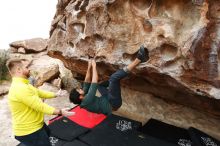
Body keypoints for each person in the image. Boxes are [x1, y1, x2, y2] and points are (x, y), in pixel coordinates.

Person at [7, 59, 75, 146]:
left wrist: (56, 94)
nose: (29, 69)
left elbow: (39, 93)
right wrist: (60, 112)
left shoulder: (24, 85)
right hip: (30, 131)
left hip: (37, 125)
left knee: (48, 135)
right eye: (26, 67)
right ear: (19, 70)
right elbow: (40, 106)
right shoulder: (20, 88)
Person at [69, 46, 149, 115]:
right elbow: (94, 82)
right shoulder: (86, 100)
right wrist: (94, 66)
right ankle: (139, 59)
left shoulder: (83, 96)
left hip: (106, 98)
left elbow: (87, 81)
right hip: (113, 103)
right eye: (79, 90)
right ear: (80, 97)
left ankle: (116, 80)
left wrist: (89, 65)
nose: (80, 89)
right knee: (114, 78)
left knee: (102, 84)